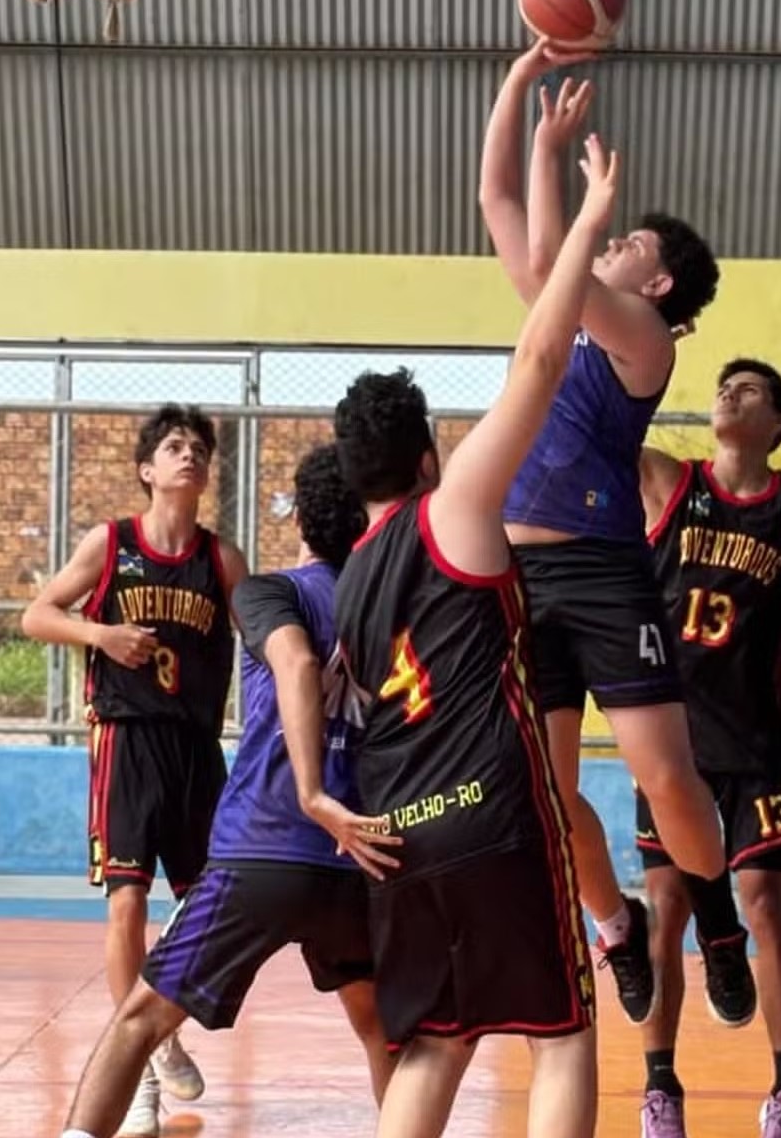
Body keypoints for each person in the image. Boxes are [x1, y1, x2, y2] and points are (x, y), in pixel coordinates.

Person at [329, 132, 624, 1138]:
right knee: (562, 1034)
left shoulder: (348, 582)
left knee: (436, 1045)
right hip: (494, 813)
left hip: (400, 836)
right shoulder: (450, 509)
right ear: (424, 455)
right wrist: (587, 219)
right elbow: (541, 359)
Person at [479, 42, 726, 1023]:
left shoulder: (645, 340)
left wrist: (559, 161)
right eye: (612, 237)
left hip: (603, 572)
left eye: (629, 245)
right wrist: (519, 88)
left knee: (664, 776)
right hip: (518, 576)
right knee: (545, 790)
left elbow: (552, 259)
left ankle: (716, 916)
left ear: (656, 286)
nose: (613, 243)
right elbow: (497, 202)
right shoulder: (560, 315)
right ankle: (616, 924)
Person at [59, 444, 399, 1138]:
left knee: (138, 1022)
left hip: (267, 846)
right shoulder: (389, 612)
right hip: (356, 859)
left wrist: (311, 791)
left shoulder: (273, 593)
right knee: (381, 1031)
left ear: (298, 516)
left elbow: (296, 664)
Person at [22, 405, 246, 1138]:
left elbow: (267, 637)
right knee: (126, 903)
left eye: (200, 448)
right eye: (175, 446)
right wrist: (100, 634)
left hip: (197, 749)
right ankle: (145, 1064)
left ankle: (160, 1029)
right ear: (148, 469)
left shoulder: (221, 559)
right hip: (126, 739)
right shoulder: (111, 543)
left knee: (211, 906)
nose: (191, 456)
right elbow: (36, 614)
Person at [635, 360, 781, 1138]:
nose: (728, 393)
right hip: (671, 742)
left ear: (779, 419)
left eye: (748, 389)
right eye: (724, 385)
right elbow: (601, 420)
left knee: (764, 900)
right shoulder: (668, 482)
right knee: (665, 908)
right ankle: (660, 1089)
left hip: (757, 741)